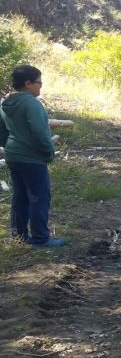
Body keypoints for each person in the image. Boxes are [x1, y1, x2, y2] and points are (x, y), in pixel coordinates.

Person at [1, 65, 64, 248]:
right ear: (28, 84)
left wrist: (10, 146)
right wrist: (48, 152)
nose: (41, 86)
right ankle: (40, 238)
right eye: (39, 82)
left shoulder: (6, 103)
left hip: (13, 155)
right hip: (31, 158)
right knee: (39, 197)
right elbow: (40, 132)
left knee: (20, 195)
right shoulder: (31, 103)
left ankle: (18, 235)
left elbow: (2, 130)